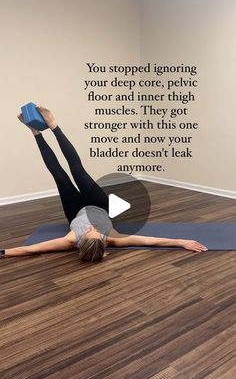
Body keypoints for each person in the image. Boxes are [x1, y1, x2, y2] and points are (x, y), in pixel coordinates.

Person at [0, 106, 208, 262]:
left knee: (59, 175)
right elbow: (150, 240)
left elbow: (32, 249)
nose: (91, 227)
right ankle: (54, 126)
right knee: (78, 170)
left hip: (74, 211)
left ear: (80, 241)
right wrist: (182, 242)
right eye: (96, 231)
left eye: (87, 232)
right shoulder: (113, 238)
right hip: (100, 205)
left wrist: (4, 252)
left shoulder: (69, 240)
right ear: (103, 240)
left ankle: (35, 132)